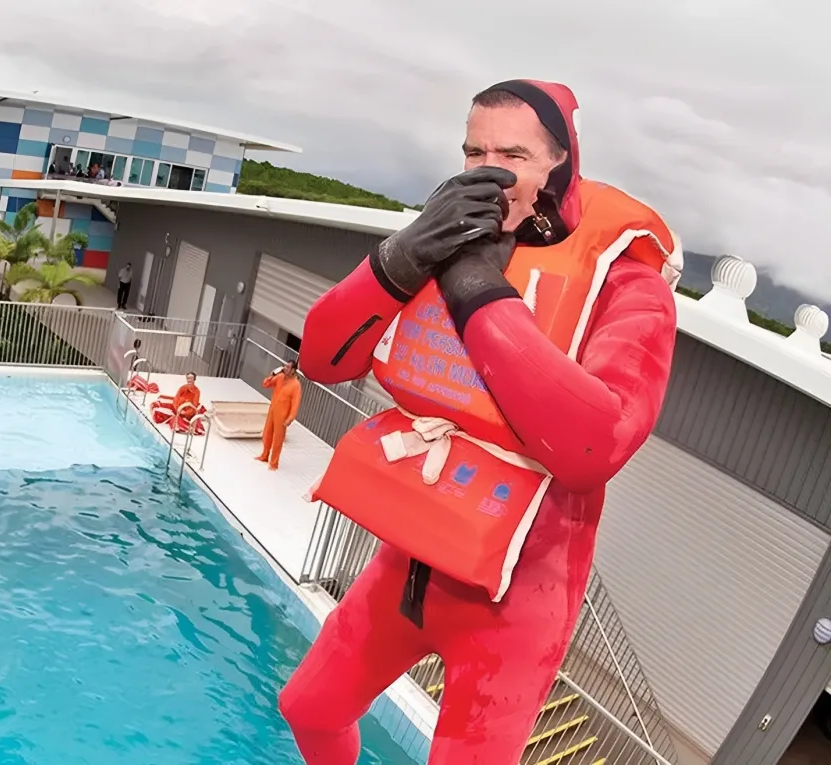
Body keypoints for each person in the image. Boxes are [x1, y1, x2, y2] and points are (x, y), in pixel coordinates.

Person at [277, 80, 682, 764]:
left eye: (514, 155)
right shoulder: (441, 243)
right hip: (410, 561)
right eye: (474, 152)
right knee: (308, 706)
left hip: (517, 602)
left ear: (561, 162)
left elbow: (594, 448)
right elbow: (322, 357)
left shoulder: (629, 288)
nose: (488, 171)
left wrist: (477, 291)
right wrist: (402, 256)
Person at [256, 360, 302, 470]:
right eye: (285, 366)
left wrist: (290, 418)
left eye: (288, 367)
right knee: (267, 433)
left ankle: (274, 463)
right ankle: (264, 455)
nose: (285, 368)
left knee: (278, 439)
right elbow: (266, 384)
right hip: (273, 410)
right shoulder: (280, 377)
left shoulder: (296, 385)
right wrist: (273, 374)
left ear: (293, 370)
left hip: (282, 415)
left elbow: (295, 403)